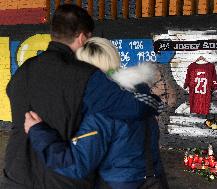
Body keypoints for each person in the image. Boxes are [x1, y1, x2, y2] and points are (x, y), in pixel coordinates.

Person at [3, 5, 162, 189]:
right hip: (60, 179)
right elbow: (133, 108)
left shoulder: (24, 71)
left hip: (16, 174)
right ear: (81, 37)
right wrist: (150, 99)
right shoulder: (86, 76)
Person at [24, 37, 169, 189]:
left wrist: (38, 132)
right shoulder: (137, 96)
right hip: (154, 181)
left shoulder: (104, 109)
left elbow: (76, 164)